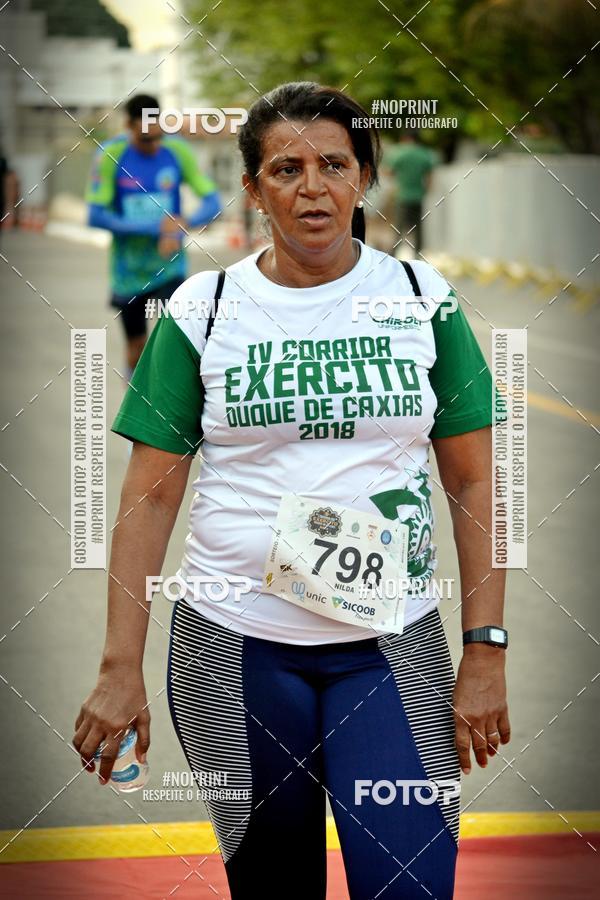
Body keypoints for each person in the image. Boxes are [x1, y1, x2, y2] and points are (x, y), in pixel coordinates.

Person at [73, 82, 510, 900]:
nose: (313, 187)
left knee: (410, 884)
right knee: (275, 887)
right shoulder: (203, 308)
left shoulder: (420, 299)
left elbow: (476, 481)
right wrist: (117, 665)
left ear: (364, 176)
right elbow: (150, 497)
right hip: (231, 649)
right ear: (252, 188)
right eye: (286, 168)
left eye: (334, 164)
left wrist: (485, 649)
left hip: (392, 644)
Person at [85, 93, 222, 378]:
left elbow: (213, 203)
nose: (154, 145)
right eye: (145, 140)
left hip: (169, 267)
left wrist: (185, 223)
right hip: (129, 273)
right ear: (129, 126)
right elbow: (95, 215)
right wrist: (157, 227)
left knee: (171, 343)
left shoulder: (177, 150)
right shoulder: (111, 155)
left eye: (157, 137)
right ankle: (136, 408)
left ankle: (169, 414)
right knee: (137, 346)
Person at [386, 131, 438, 256]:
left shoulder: (399, 153)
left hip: (402, 195)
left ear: (405, 138)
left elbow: (388, 171)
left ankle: (394, 253)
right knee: (418, 227)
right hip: (418, 196)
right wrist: (426, 190)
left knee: (399, 227)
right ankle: (418, 253)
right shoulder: (423, 154)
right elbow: (430, 176)